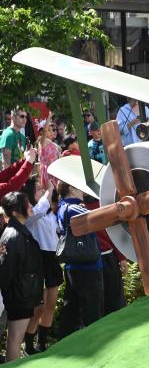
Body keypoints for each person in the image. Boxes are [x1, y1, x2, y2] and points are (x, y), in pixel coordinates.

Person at [56, 181, 104, 338]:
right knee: (92, 312)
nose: (83, 189)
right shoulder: (74, 207)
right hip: (87, 267)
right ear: (71, 189)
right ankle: (96, 343)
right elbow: (98, 217)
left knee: (71, 310)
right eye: (78, 186)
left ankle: (66, 344)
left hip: (73, 266)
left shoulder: (62, 206)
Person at [0, 191, 44, 362]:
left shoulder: (18, 231)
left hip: (21, 293)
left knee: (14, 339)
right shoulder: (13, 235)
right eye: (27, 203)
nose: (31, 206)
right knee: (15, 340)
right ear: (16, 211)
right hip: (19, 295)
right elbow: (6, 272)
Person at [23, 179, 60, 353]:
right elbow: (35, 213)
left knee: (50, 304)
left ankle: (42, 343)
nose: (42, 190)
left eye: (42, 188)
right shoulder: (31, 213)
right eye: (38, 188)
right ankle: (28, 345)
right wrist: (50, 190)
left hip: (51, 259)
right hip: (38, 260)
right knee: (38, 307)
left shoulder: (49, 212)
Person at [37, 120, 61, 188]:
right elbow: (44, 131)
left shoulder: (52, 143)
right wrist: (49, 117)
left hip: (55, 171)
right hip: (48, 172)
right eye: (48, 130)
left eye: (52, 130)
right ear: (42, 132)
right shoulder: (42, 142)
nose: (51, 132)